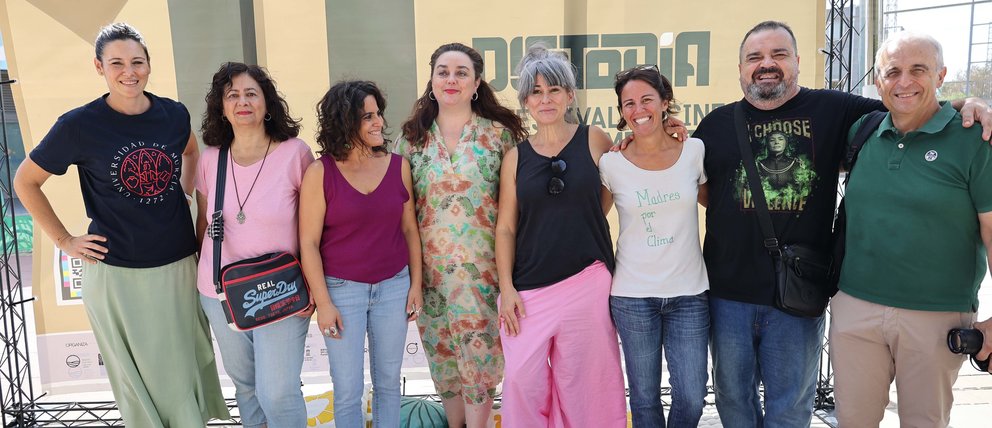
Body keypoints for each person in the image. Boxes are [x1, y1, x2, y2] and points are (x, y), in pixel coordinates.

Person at [691, 20, 992, 427]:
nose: (767, 64)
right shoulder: (714, 125)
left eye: (779, 54)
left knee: (790, 408)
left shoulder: (839, 110)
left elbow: (912, 105)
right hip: (728, 294)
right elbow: (704, 190)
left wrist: (969, 102)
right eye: (755, 57)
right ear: (741, 68)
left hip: (797, 297)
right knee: (733, 401)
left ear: (797, 61)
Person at [12, 23, 229, 426]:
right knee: (137, 377)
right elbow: (25, 181)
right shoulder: (79, 125)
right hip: (116, 272)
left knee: (181, 365)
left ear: (149, 66)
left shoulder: (173, 113)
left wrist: (184, 201)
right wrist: (64, 240)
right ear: (99, 67)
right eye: (116, 63)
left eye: (137, 62)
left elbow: (192, 153)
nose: (129, 71)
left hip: (178, 263)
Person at [830, 32, 992, 426]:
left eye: (918, 70)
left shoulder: (976, 138)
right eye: (893, 72)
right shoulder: (863, 132)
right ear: (879, 79)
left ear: (941, 75)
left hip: (935, 318)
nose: (904, 82)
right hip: (854, 309)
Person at [394, 42, 526, 428]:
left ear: (476, 83)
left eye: (461, 73)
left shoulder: (499, 137)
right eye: (443, 72)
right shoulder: (410, 140)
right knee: (444, 360)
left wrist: (508, 280)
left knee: (481, 365)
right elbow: (403, 217)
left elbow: (514, 212)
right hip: (430, 279)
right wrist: (413, 279)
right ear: (431, 81)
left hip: (484, 276)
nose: (451, 79)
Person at [494, 44, 626, 428]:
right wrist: (506, 288)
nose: (545, 98)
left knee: (586, 386)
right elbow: (505, 227)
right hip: (527, 289)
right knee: (521, 381)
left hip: (587, 280)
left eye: (553, 89)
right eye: (536, 91)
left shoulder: (595, 139)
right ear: (525, 101)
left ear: (570, 95)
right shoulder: (515, 157)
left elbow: (606, 199)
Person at [194, 62, 314, 428]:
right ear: (221, 107)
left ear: (267, 104)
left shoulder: (295, 154)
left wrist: (313, 288)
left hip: (281, 292)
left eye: (251, 94)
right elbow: (203, 224)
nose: (242, 102)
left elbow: (313, 231)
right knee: (246, 387)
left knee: (277, 391)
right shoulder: (211, 158)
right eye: (232, 95)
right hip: (221, 295)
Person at [299, 80, 423, 428]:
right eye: (367, 116)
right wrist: (324, 303)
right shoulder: (320, 173)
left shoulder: (398, 166)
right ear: (344, 121)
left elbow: (410, 230)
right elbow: (308, 242)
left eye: (378, 114)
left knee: (388, 384)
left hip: (394, 287)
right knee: (348, 389)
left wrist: (416, 284)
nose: (379, 123)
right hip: (341, 291)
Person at [600, 65, 709, 427]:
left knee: (692, 397)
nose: (637, 109)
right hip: (632, 297)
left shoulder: (694, 150)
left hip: (690, 294)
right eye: (628, 103)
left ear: (665, 103)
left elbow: (716, 202)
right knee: (644, 399)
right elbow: (591, 217)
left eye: (647, 99)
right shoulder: (612, 162)